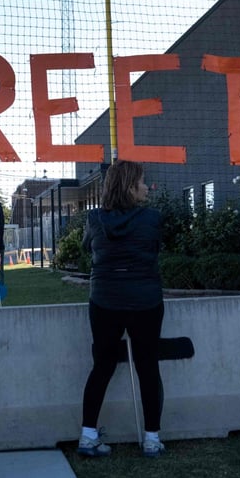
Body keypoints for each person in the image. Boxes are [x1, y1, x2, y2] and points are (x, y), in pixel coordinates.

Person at [77, 160, 165, 458]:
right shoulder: (153, 218)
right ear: (129, 187)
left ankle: (88, 435)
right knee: (148, 367)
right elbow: (154, 250)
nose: (146, 187)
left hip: (104, 299)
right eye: (142, 182)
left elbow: (87, 248)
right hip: (145, 301)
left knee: (102, 365)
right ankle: (151, 438)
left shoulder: (94, 219)